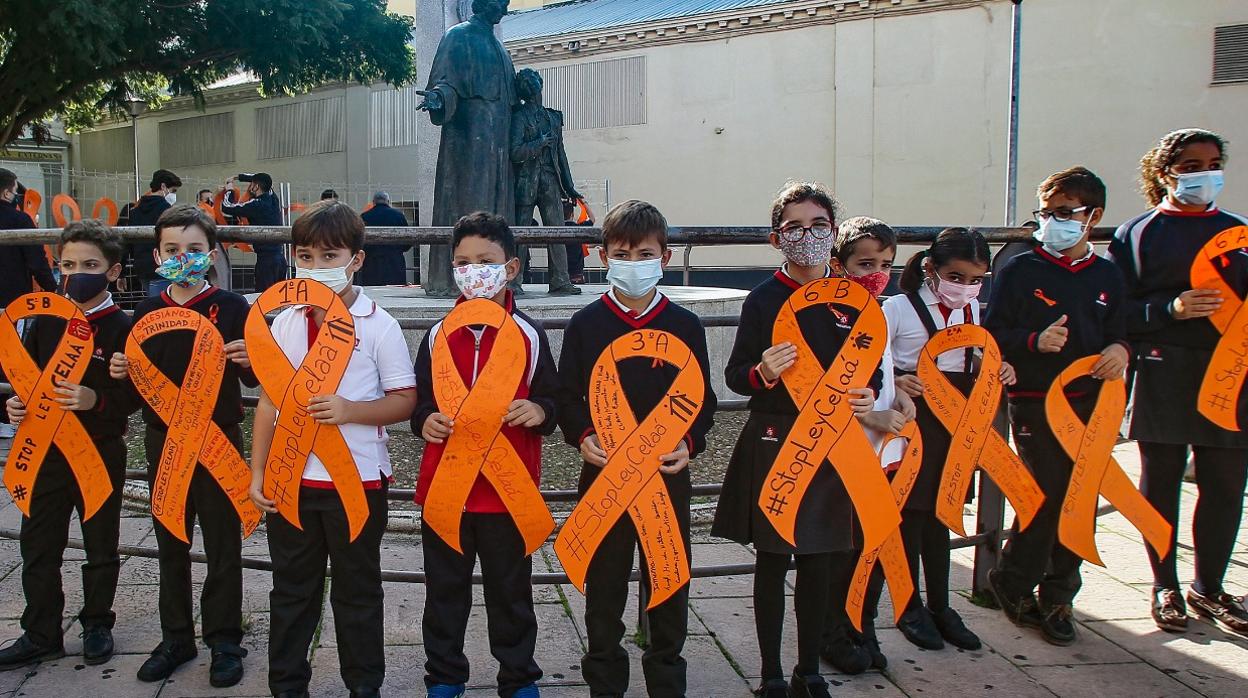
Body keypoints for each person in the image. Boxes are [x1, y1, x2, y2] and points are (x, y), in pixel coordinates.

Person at [713, 182, 876, 698]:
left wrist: (869, 396)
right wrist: (762, 370)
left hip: (833, 445)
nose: (808, 236)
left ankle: (809, 671)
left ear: (833, 233)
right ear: (776, 238)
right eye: (795, 227)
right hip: (776, 438)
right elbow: (736, 376)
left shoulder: (855, 300)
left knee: (820, 561)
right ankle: (771, 675)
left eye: (819, 226)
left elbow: (868, 369)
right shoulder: (763, 300)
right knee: (772, 559)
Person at [249, 200, 417, 698]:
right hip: (291, 480)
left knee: (358, 590)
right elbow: (266, 404)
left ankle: (364, 685)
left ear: (355, 260)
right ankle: (286, 684)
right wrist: (257, 472)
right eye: (305, 256)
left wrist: (349, 411)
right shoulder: (284, 322)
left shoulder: (377, 323)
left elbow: (405, 400)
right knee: (290, 590)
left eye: (329, 256)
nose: (316, 267)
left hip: (357, 481)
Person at [557, 200, 716, 697]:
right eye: (622, 253)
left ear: (664, 257)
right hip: (605, 476)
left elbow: (704, 399)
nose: (632, 262)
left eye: (644, 253)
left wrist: (689, 444)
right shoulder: (586, 323)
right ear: (604, 256)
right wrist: (582, 437)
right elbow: (567, 395)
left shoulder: (685, 325)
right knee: (604, 581)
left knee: (667, 575)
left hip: (668, 476)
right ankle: (604, 673)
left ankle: (666, 670)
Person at [108, 205, 257, 686]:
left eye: (194, 249)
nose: (183, 257)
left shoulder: (234, 308)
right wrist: (121, 375)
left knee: (221, 544)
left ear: (211, 253)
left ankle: (224, 640)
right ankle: (175, 637)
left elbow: (259, 377)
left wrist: (250, 358)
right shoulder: (147, 313)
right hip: (163, 441)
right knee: (170, 540)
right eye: (173, 250)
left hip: (219, 441)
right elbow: (134, 394)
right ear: (156, 256)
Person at [1108, 128, 1248, 635]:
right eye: (1190, 165)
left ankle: (1210, 588)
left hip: (1230, 377)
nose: (1204, 172)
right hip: (1164, 367)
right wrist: (1171, 308)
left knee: (1226, 484)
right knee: (1160, 479)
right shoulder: (1138, 234)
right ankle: (1164, 583)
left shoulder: (1240, 234)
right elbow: (1117, 311)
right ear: (1165, 172)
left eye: (1212, 162)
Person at [412, 212, 556, 698]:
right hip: (446, 491)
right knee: (444, 594)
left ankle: (518, 678)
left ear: (510, 268)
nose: (474, 272)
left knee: (512, 594)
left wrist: (539, 409)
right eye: (463, 263)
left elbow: (552, 399)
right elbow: (421, 403)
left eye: (485, 262)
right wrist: (424, 421)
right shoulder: (437, 335)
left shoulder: (531, 335)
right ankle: (445, 676)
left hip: (507, 493)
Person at [985, 167, 1130, 646]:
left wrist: (1120, 350)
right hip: (1035, 402)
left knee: (1080, 498)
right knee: (1044, 494)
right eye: (1046, 213)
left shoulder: (1108, 275)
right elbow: (991, 333)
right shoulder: (1021, 270)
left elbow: (1121, 329)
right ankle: (1012, 578)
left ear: (1094, 217)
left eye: (1065, 213)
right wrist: (1032, 341)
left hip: (1091, 405)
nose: (1054, 222)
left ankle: (1060, 593)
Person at [0, 221, 135, 671]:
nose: (77, 274)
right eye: (69, 265)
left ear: (113, 272)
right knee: (39, 544)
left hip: (99, 449)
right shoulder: (44, 321)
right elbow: (25, 380)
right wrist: (16, 406)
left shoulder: (122, 328)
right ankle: (40, 631)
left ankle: (97, 622)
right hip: (45, 452)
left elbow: (134, 398)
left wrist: (97, 400)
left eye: (90, 265)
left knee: (101, 542)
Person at [876, 229, 1005, 658]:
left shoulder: (970, 307)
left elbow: (973, 356)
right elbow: (876, 360)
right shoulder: (897, 307)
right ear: (930, 268)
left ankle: (942, 605)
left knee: (943, 513)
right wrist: (898, 380)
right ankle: (908, 604)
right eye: (956, 275)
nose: (965, 286)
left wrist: (994, 368)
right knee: (911, 516)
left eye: (975, 279)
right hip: (915, 419)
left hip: (957, 418)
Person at [820, 216, 915, 674]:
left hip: (885, 448)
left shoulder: (879, 309)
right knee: (842, 547)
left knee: (872, 545)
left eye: (885, 263)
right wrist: (871, 413)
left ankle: (864, 624)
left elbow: (886, 369)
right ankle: (833, 631)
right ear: (839, 265)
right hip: (845, 450)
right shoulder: (826, 316)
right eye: (865, 263)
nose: (876, 272)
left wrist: (901, 396)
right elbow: (818, 389)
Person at [510, 68, 582, 295]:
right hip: (527, 181)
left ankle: (560, 280)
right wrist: (538, 143)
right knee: (521, 233)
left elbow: (561, 154)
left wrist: (569, 186)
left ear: (540, 86)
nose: (533, 91)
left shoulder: (553, 117)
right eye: (528, 88)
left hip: (551, 179)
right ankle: (514, 281)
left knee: (556, 230)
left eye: (534, 86)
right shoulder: (519, 117)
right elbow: (515, 152)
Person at [0, 168, 57, 439]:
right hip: (11, 301)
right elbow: (36, 259)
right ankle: (4, 416)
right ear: (7, 191)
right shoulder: (18, 218)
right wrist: (53, 290)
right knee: (9, 357)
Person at [119, 169, 182, 297]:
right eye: (173, 190)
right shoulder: (167, 211)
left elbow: (127, 242)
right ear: (163, 186)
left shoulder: (135, 210)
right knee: (165, 307)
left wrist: (122, 272)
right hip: (165, 267)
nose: (174, 195)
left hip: (142, 267)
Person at [220, 172, 286, 292]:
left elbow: (227, 207)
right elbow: (263, 178)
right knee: (279, 297)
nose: (249, 187)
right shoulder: (272, 197)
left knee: (263, 297)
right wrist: (239, 177)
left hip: (266, 261)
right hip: (280, 259)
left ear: (256, 186)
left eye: (252, 184)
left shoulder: (256, 205)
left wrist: (229, 190)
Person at [359, 191, 413, 286]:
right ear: (388, 201)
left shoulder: (364, 217)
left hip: (371, 263)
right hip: (394, 263)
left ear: (374, 202)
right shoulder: (398, 216)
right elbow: (408, 242)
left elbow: (359, 242)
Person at [564, 199, 591, 285]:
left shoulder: (555, 229)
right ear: (572, 214)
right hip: (577, 270)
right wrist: (584, 202)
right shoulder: (578, 228)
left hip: (562, 270)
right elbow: (592, 219)